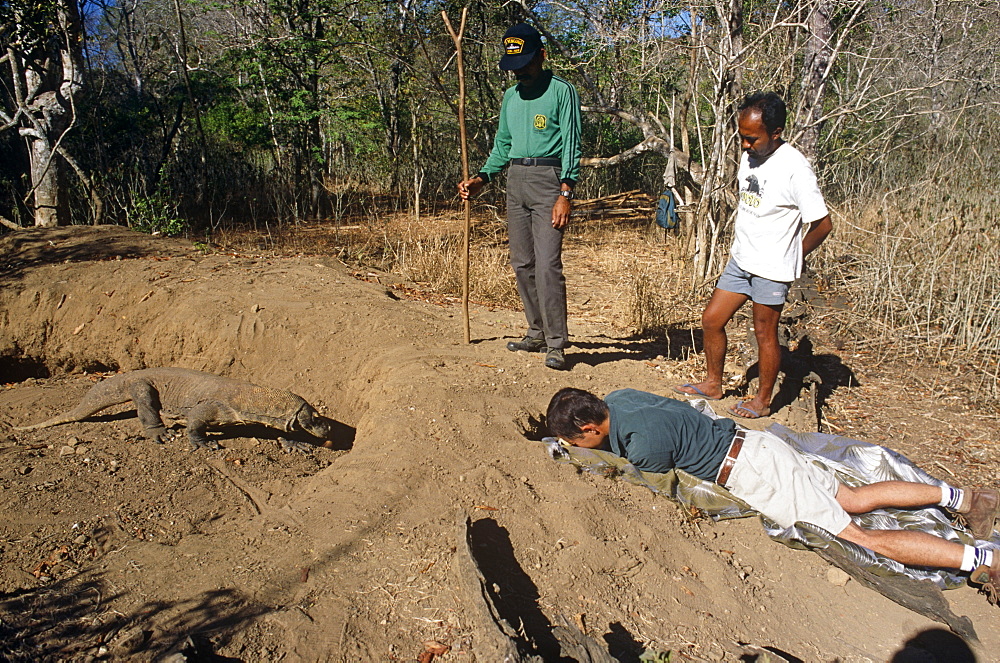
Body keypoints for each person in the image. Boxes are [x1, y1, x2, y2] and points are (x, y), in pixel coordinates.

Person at [546, 387, 1000, 589]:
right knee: (854, 498)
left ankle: (983, 559)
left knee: (859, 537)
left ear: (587, 426)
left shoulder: (643, 447)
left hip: (753, 472)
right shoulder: (622, 396)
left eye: (575, 440)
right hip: (758, 444)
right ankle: (966, 498)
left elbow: (666, 484)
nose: (577, 446)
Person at [674, 92, 832, 419]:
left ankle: (763, 400)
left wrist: (794, 256)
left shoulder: (795, 168)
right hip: (741, 259)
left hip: (772, 268)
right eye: (742, 137)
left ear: (775, 133)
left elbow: (823, 224)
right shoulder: (751, 155)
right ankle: (713, 383)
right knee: (712, 320)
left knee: (765, 333)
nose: (745, 145)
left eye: (751, 138)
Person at [457, 23, 582, 371]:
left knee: (547, 266)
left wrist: (565, 192)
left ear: (541, 55)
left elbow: (572, 144)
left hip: (549, 180)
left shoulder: (561, 91)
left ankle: (557, 343)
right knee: (522, 262)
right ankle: (536, 331)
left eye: (526, 62)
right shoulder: (511, 97)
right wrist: (482, 178)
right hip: (516, 179)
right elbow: (503, 146)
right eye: (514, 65)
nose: (520, 71)